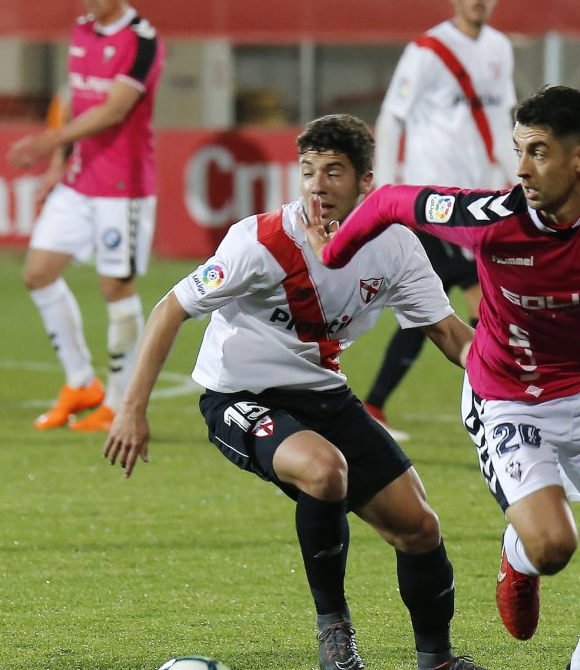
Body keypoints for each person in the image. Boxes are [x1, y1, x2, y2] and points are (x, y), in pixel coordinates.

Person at [308, 86, 580, 670]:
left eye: (539, 152)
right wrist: (332, 257)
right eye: (519, 150)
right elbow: (392, 203)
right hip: (506, 396)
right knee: (554, 546)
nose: (523, 170)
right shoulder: (492, 220)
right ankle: (520, 557)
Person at [102, 114, 485, 670]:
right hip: (240, 397)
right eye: (308, 170)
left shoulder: (396, 247)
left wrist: (517, 379)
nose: (317, 184)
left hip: (325, 397)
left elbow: (452, 336)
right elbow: (170, 310)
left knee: (420, 527)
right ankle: (335, 630)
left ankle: (439, 661)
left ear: (365, 183)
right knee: (324, 470)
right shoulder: (258, 243)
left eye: (334, 171)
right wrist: (131, 409)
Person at [363, 0, 518, 439]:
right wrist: (388, 197)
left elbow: (498, 120)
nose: (479, 0)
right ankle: (502, 405)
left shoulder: (499, 49)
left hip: (479, 203)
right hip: (434, 203)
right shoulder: (427, 51)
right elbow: (393, 119)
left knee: (426, 311)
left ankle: (373, 405)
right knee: (485, 303)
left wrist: (515, 181)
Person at [7, 0, 164, 432]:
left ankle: (118, 402)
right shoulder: (82, 30)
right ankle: (80, 383)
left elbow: (114, 109)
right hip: (79, 180)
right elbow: (75, 98)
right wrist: (58, 161)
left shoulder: (142, 40)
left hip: (123, 188)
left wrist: (46, 139)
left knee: (115, 287)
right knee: (38, 272)